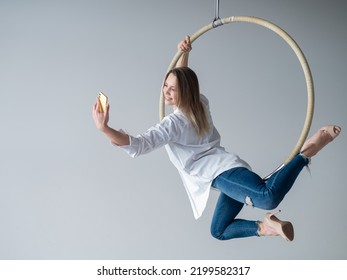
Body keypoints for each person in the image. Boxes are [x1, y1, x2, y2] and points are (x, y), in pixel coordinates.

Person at [92, 36, 341, 241]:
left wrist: (105, 129)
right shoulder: (199, 102)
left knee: (268, 197)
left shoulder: (174, 123)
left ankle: (307, 152)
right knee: (218, 231)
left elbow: (139, 145)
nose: (165, 92)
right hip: (220, 175)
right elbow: (185, 82)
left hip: (223, 173)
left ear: (183, 91)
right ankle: (267, 227)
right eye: (165, 86)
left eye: (171, 88)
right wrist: (184, 54)